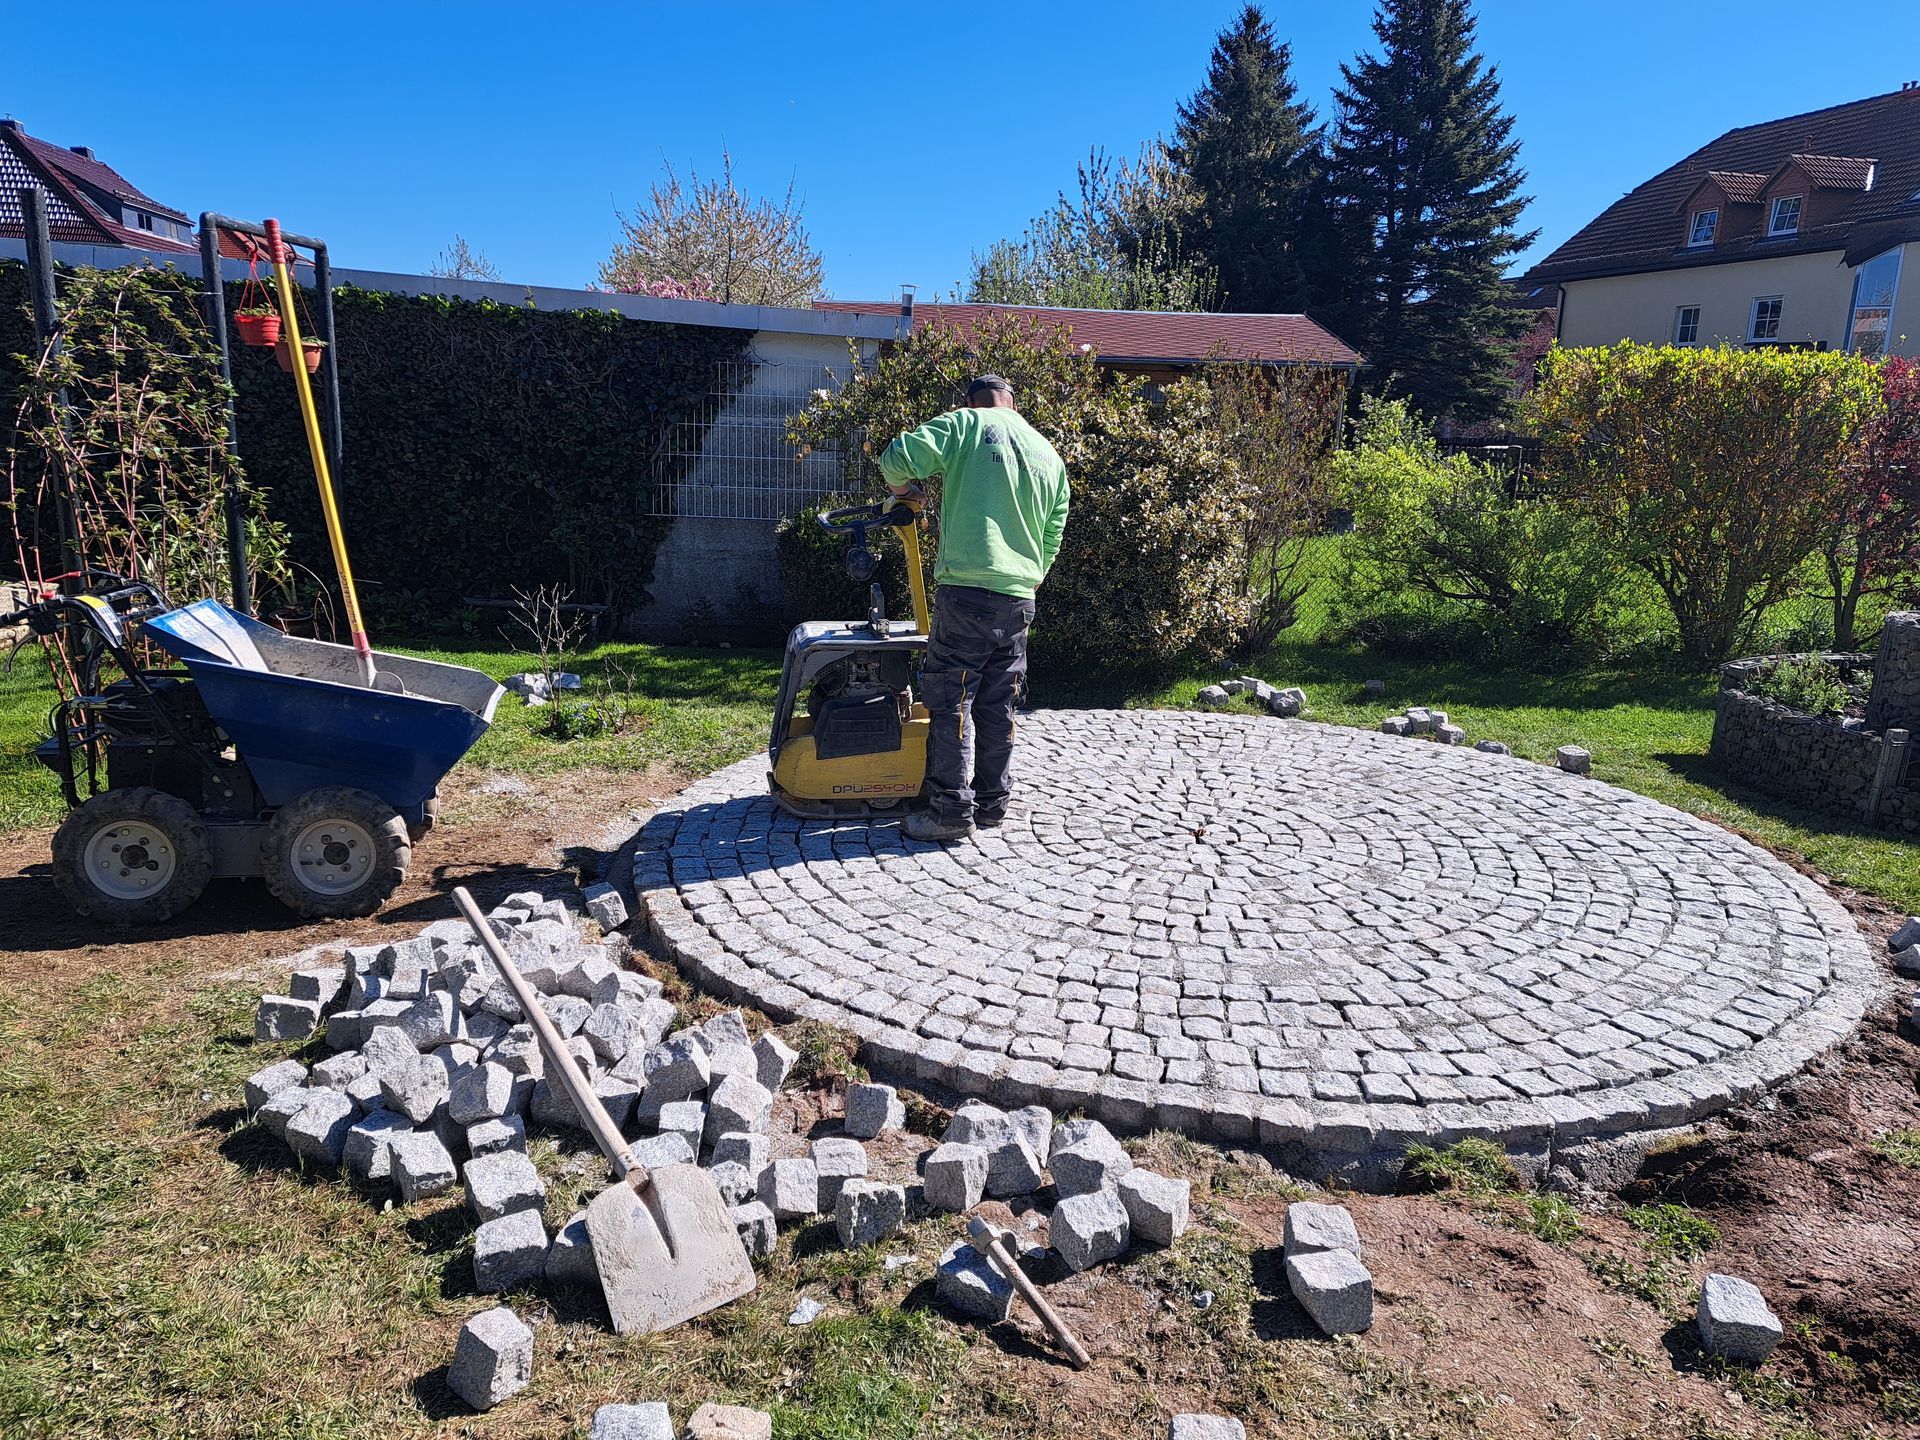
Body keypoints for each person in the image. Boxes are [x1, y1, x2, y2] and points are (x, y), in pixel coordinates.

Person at [878, 374, 1070, 842]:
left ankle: (948, 812)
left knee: (949, 700)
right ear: (1014, 403)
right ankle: (991, 805)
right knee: (997, 704)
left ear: (971, 401)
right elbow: (1053, 531)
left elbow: (895, 459)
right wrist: (1028, 577)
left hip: (966, 591)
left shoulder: (969, 423)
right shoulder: (1047, 452)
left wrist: (906, 494)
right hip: (1019, 596)